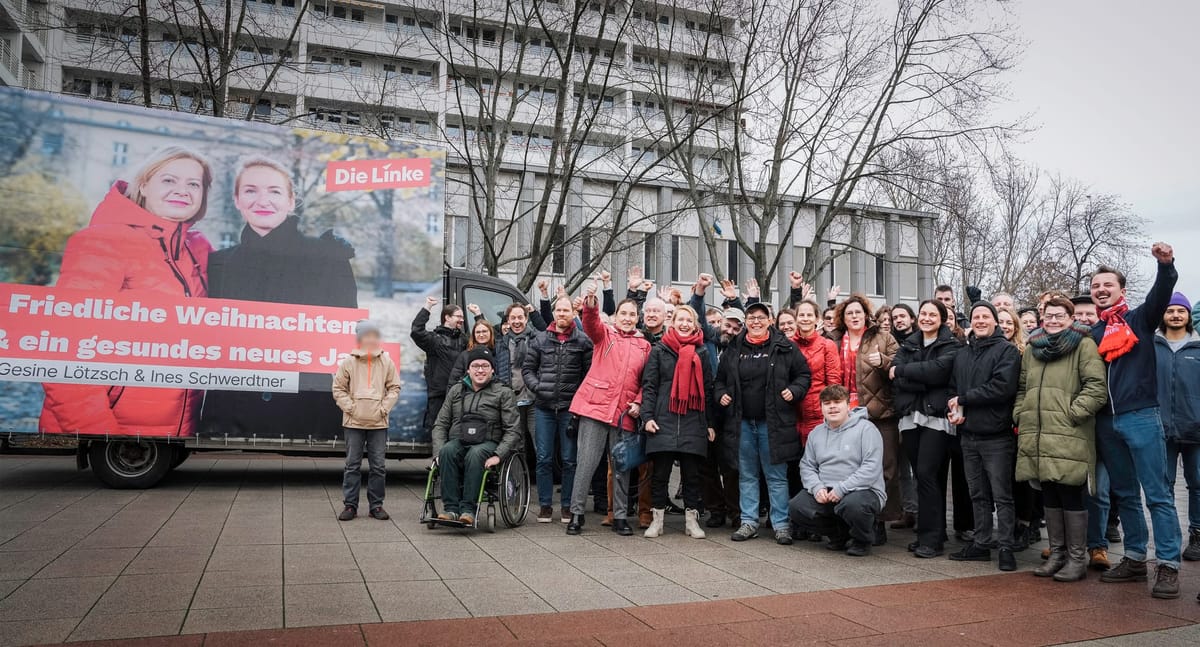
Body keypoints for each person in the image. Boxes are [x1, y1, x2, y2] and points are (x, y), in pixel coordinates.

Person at [40, 146, 213, 437]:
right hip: (114, 430)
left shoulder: (196, 249)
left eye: (193, 184)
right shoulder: (103, 241)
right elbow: (65, 348)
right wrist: (99, 434)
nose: (182, 190)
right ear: (143, 185)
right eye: (169, 180)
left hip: (172, 430)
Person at [201, 156, 356, 441]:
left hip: (308, 409)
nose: (263, 200)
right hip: (233, 408)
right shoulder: (219, 264)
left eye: (274, 191)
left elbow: (343, 337)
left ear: (290, 200)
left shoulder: (327, 258)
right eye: (250, 190)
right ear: (237, 199)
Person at [1089, 244, 1182, 599]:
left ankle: (1169, 565)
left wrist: (1166, 266)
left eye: (1107, 285)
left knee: (1158, 495)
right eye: (1096, 285)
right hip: (1106, 423)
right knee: (1125, 494)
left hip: (1141, 416)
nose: (1101, 290)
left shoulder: (1140, 319)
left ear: (1121, 290)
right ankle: (1134, 557)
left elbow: (1162, 292)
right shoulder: (1093, 335)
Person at [1014, 298, 1107, 582]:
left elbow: (1096, 387)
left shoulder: (1083, 345)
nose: (1053, 320)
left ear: (1070, 318)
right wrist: (1021, 413)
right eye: (1049, 315)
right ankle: (1057, 554)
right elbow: (1022, 387)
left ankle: (1077, 559)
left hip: (1069, 432)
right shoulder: (1032, 348)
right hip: (1038, 433)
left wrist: (1072, 414)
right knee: (1049, 494)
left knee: (1069, 493)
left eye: (1059, 316)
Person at [718, 302, 812, 545]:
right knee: (747, 474)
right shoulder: (734, 348)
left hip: (774, 423)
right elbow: (719, 380)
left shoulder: (784, 347)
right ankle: (749, 522)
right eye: (751, 317)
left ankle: (781, 524)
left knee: (776, 476)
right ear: (746, 321)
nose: (756, 321)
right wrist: (721, 395)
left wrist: (795, 390)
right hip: (742, 423)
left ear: (770, 320)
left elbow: (804, 375)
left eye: (761, 317)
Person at [565, 289, 650, 536]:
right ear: (615, 316)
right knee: (587, 463)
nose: (627, 317)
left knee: (622, 465)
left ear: (637, 318)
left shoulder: (644, 346)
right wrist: (591, 304)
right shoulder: (605, 335)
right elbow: (590, 323)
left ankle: (620, 516)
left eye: (632, 314)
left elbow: (648, 381)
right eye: (623, 313)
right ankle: (576, 513)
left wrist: (639, 401)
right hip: (595, 407)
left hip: (625, 412)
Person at [947, 302, 1022, 571]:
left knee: (1002, 495)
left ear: (995, 322)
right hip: (968, 434)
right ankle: (981, 542)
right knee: (977, 494)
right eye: (976, 316)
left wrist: (965, 398)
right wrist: (954, 408)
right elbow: (954, 388)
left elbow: (1001, 388)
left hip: (996, 436)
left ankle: (1005, 547)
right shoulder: (963, 354)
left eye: (985, 317)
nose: (980, 321)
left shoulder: (1007, 351)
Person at [828, 294, 902, 544]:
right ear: (843, 317)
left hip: (879, 412)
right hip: (844, 415)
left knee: (885, 468)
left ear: (866, 314)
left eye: (858, 312)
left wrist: (883, 361)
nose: (854, 316)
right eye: (849, 313)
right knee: (848, 467)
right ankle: (850, 522)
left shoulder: (883, 337)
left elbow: (900, 364)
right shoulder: (835, 340)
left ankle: (879, 522)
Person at [891, 300, 962, 558]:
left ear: (942, 319)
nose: (927, 318)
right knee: (923, 477)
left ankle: (930, 539)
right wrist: (919, 378)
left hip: (936, 418)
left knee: (927, 473)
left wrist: (906, 373)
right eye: (923, 313)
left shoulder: (952, 345)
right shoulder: (908, 343)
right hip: (910, 417)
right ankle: (935, 531)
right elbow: (895, 375)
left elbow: (940, 373)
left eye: (933, 314)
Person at [642, 305, 717, 538]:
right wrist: (647, 417)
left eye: (689, 320)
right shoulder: (659, 350)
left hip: (693, 418)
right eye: (680, 319)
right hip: (663, 418)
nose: (684, 324)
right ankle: (657, 520)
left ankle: (691, 521)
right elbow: (650, 386)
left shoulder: (702, 352)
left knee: (692, 475)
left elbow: (707, 388)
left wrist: (710, 423)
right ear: (671, 322)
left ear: (695, 325)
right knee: (660, 474)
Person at [790, 385, 886, 556]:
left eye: (837, 402)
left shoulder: (867, 429)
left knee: (853, 505)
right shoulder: (816, 434)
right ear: (821, 408)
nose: (832, 407)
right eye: (827, 403)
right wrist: (817, 487)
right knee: (797, 507)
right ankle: (838, 536)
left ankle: (861, 540)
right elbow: (807, 466)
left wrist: (842, 488)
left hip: (863, 490)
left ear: (848, 405)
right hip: (827, 490)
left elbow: (871, 468)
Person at [431, 347, 522, 525]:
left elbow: (513, 429)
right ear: (468, 369)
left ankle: (468, 510)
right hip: (460, 440)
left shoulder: (503, 392)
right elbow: (440, 424)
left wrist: (499, 455)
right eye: (475, 366)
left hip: (489, 443)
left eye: (485, 366)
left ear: (492, 369)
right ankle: (450, 509)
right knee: (448, 450)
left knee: (475, 454)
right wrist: (438, 453)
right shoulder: (456, 390)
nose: (480, 370)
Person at [524, 295, 594, 524]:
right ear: (554, 313)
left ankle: (567, 505)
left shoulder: (583, 341)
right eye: (559, 310)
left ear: (573, 313)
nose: (562, 314)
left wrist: (578, 398)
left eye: (566, 310)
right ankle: (545, 505)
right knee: (543, 458)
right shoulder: (540, 338)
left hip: (569, 410)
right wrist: (538, 388)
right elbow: (528, 369)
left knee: (569, 459)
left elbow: (588, 374)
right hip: (543, 408)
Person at [332, 320, 401, 521]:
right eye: (366, 335)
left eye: (374, 335)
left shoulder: (387, 362)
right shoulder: (348, 362)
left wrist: (383, 409)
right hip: (353, 422)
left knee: (378, 466)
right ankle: (350, 506)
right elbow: (338, 389)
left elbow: (394, 388)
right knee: (352, 465)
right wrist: (351, 408)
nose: (370, 339)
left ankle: (376, 506)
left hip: (378, 423)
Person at [1155, 292, 1200, 562]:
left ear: (1188, 316)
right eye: (1170, 310)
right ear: (1163, 314)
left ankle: (1197, 533)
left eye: (1180, 311)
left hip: (1195, 428)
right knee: (1164, 485)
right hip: (1161, 429)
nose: (1175, 315)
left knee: (1197, 484)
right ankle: (1169, 534)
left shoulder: (1198, 347)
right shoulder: (1152, 345)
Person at [412, 298, 466, 435]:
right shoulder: (434, 339)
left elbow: (484, 339)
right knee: (438, 432)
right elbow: (416, 331)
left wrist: (478, 315)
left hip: (461, 394)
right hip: (438, 395)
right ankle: (438, 457)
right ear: (447, 318)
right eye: (459, 316)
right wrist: (427, 307)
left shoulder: (464, 340)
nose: (462, 320)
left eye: (462, 317)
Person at [448, 317, 511, 386]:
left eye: (484, 331)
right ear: (473, 335)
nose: (481, 335)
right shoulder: (465, 355)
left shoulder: (500, 351)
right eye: (478, 332)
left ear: (490, 332)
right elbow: (454, 380)